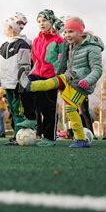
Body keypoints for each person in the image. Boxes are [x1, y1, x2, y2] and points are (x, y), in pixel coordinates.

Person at [19, 16, 104, 148]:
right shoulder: (70, 45)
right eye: (65, 32)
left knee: (70, 109)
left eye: (71, 32)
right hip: (69, 77)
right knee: (51, 82)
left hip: (81, 85)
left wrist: (87, 81)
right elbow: (64, 62)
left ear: (80, 32)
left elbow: (97, 69)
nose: (67, 35)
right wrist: (59, 71)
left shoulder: (93, 48)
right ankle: (29, 85)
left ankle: (81, 139)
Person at [20, 9, 63, 147]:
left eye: (44, 20)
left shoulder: (59, 40)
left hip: (51, 77)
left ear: (51, 22)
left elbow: (63, 60)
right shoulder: (37, 40)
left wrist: (59, 75)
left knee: (48, 108)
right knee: (23, 87)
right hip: (36, 73)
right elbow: (35, 59)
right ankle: (31, 118)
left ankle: (49, 138)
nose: (41, 23)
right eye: (39, 21)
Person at [0, 12, 33, 145]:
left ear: (13, 28)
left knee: (18, 112)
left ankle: (20, 136)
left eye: (6, 27)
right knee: (13, 112)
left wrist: (22, 83)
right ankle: (17, 135)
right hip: (6, 85)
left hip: (17, 85)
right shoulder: (3, 45)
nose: (4, 29)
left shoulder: (23, 44)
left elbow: (25, 66)